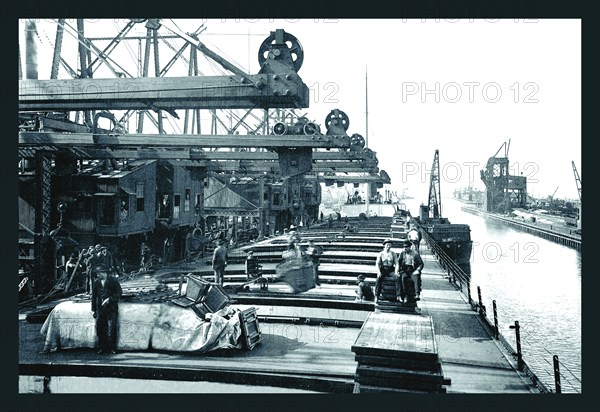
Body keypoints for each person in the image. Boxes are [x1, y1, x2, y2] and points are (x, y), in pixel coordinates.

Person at [92, 270, 122, 355]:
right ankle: (102, 348)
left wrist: (110, 299)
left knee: (112, 329)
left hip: (111, 309)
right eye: (97, 274)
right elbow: (94, 297)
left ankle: (113, 348)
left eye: (99, 273)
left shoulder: (113, 280)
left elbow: (119, 293)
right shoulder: (96, 282)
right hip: (100, 309)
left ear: (105, 273)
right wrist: (94, 310)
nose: (98, 275)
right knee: (100, 328)